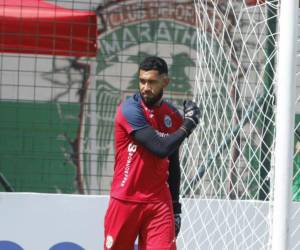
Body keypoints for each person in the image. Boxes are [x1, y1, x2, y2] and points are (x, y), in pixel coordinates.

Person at [104, 56, 200, 250]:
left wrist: (175, 208)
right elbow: (160, 148)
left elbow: (173, 164)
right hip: (125, 199)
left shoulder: (172, 116)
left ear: (165, 82)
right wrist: (189, 124)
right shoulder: (130, 110)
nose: (145, 87)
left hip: (158, 202)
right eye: (142, 81)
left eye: (152, 82)